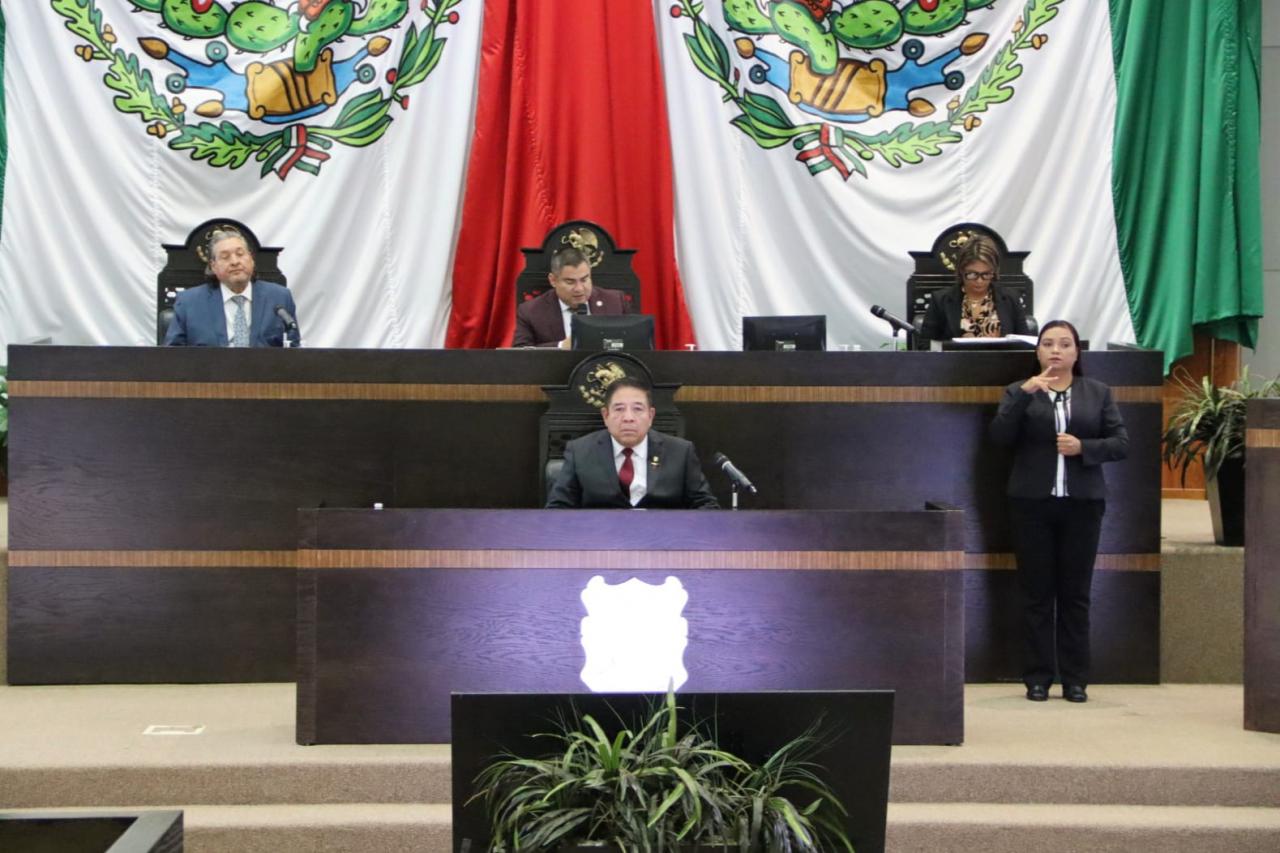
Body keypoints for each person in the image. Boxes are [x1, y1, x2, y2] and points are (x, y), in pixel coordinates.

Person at [988, 320, 1128, 704]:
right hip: (1031, 505)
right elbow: (999, 437)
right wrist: (1024, 395)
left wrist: (1084, 448)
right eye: (1048, 344)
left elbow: (1121, 443)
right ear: (1037, 352)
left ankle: (1075, 679)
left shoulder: (1097, 392)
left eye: (1065, 344)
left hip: (1082, 505)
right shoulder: (1019, 391)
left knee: (1075, 595)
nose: (1056, 351)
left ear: (1077, 352)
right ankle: (1037, 678)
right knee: (1036, 594)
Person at [546, 376, 720, 509]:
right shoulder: (580, 451)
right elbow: (558, 508)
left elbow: (706, 506)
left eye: (637, 409)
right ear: (605, 416)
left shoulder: (680, 452)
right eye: (619, 409)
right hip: (600, 540)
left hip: (663, 540)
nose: (628, 418)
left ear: (650, 416)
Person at [164, 228, 300, 347]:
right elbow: (173, 356)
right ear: (213, 266)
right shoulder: (189, 302)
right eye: (225, 257)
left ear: (251, 259)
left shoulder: (279, 298)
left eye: (240, 254)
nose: (235, 262)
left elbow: (294, 351)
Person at [920, 234, 1032, 342]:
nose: (979, 281)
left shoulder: (1010, 298)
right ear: (961, 270)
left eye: (986, 274)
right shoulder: (941, 300)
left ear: (994, 271)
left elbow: (1025, 343)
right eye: (972, 274)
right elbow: (925, 345)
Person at [512, 246, 630, 348]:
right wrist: (561, 346)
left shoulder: (615, 302)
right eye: (570, 282)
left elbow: (632, 343)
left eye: (584, 280)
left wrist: (604, 344)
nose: (579, 289)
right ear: (553, 280)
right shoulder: (530, 312)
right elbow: (520, 353)